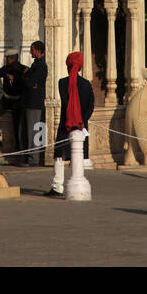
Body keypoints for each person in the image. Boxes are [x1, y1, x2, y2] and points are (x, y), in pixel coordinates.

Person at [45, 51, 94, 197]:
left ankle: (58, 186)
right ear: (80, 67)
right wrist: (82, 121)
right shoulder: (86, 84)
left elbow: (67, 104)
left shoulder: (62, 83)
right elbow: (90, 105)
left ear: (68, 66)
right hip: (81, 125)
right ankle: (76, 184)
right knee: (77, 156)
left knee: (59, 156)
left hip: (66, 124)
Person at [0, 51, 25, 161]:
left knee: (17, 124)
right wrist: (5, 75)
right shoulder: (6, 69)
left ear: (13, 58)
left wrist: (15, 78)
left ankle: (19, 149)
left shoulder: (22, 69)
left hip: (17, 100)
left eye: (8, 58)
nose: (7, 60)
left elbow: (25, 82)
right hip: (6, 99)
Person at [19, 40, 47, 167]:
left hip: (35, 102)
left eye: (32, 49)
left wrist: (27, 79)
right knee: (29, 130)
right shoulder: (36, 65)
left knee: (34, 131)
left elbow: (30, 83)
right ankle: (30, 157)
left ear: (37, 50)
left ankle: (33, 159)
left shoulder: (41, 66)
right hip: (30, 101)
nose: (30, 52)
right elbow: (30, 83)